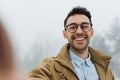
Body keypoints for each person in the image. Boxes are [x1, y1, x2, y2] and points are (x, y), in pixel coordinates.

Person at [28, 6, 114, 80]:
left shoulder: (105, 69)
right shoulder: (49, 67)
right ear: (65, 34)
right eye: (73, 27)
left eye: (84, 26)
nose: (79, 31)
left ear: (91, 32)